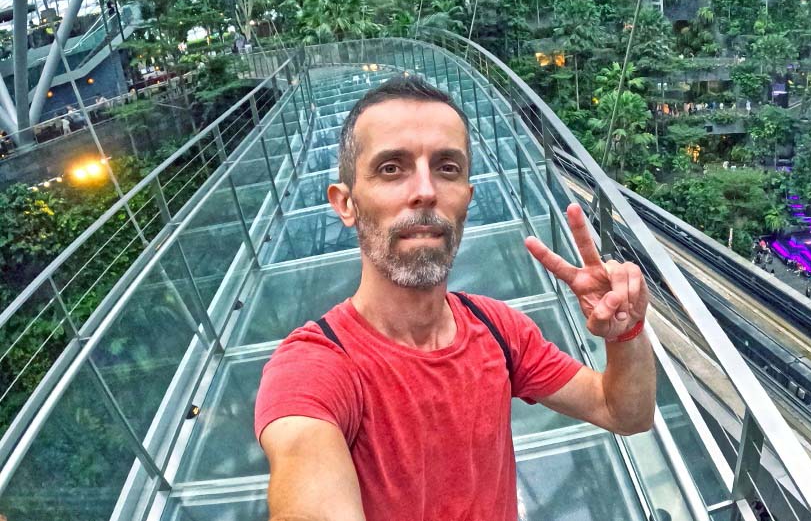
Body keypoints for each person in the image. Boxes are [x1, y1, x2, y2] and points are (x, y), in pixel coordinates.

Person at [254, 76, 656, 521]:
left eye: (447, 168)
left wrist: (627, 332)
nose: (425, 191)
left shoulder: (500, 330)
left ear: (466, 197)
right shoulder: (315, 368)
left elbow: (623, 413)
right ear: (345, 203)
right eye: (392, 168)